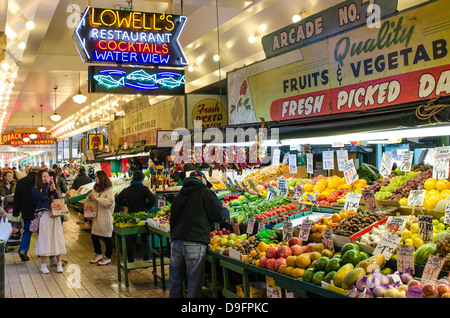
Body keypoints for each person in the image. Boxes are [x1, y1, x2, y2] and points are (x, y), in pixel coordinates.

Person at [169, 170, 229, 298]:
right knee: (194, 284)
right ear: (202, 179)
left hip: (176, 243)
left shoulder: (179, 195)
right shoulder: (205, 192)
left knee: (175, 282)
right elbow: (219, 215)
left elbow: (172, 218)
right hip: (194, 243)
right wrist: (225, 210)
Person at [115, 170, 156, 263]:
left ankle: (130, 260)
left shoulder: (127, 190)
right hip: (143, 216)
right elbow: (152, 200)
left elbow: (117, 200)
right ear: (142, 179)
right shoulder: (144, 189)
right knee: (145, 238)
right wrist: (147, 208)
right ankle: (147, 260)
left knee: (131, 239)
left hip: (132, 217)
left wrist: (126, 204)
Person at [32, 169, 66, 274]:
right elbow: (42, 198)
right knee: (44, 239)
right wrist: (47, 186)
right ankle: (43, 265)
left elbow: (57, 199)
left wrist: (54, 190)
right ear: (39, 178)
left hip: (55, 216)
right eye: (43, 176)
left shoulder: (50, 187)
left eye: (47, 176)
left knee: (57, 238)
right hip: (45, 216)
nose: (46, 178)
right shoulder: (35, 189)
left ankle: (59, 263)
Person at [13, 166, 40, 261]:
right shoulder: (40, 182)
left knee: (27, 230)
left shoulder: (21, 182)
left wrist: (16, 211)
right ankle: (41, 251)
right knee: (41, 232)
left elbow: (16, 198)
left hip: (26, 210)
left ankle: (23, 250)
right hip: (39, 211)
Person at [88, 170, 115, 266]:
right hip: (96, 217)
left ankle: (108, 257)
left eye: (97, 177)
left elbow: (109, 203)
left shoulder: (109, 190)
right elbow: (91, 201)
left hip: (105, 217)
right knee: (94, 236)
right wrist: (90, 197)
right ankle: (98, 254)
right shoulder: (95, 189)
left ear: (102, 178)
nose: (96, 179)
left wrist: (97, 199)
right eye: (95, 177)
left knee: (107, 238)